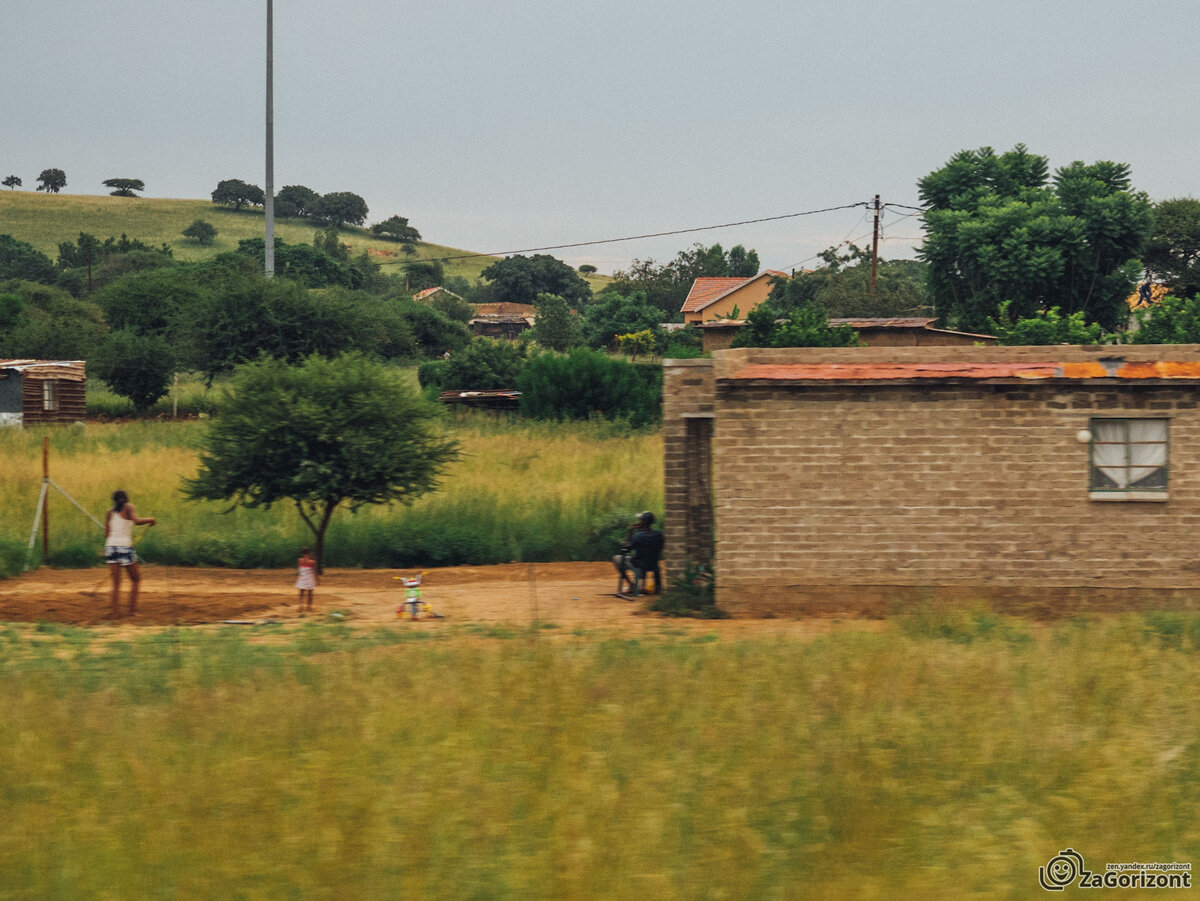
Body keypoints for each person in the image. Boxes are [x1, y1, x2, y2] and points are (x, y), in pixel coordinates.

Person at [104, 489, 155, 618]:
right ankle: (132, 612)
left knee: (116, 583)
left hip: (111, 546)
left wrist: (117, 541)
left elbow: (106, 534)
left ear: (114, 500)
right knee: (136, 579)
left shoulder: (109, 512)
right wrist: (150, 520)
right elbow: (136, 521)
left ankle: (115, 614)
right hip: (125, 546)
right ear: (126, 499)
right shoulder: (128, 507)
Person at [612, 511, 665, 599]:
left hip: (640, 564)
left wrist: (630, 531)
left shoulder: (638, 536)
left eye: (640, 520)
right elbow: (662, 547)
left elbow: (626, 548)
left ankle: (631, 585)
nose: (638, 522)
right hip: (653, 564)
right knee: (644, 559)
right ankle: (658, 587)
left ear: (643, 522)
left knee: (616, 558)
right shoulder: (658, 534)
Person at [296, 547, 317, 614]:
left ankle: (301, 605)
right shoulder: (312, 562)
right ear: (310, 553)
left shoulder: (300, 560)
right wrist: (317, 580)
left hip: (302, 577)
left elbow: (299, 570)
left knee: (301, 592)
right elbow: (314, 572)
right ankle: (309, 606)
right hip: (309, 578)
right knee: (310, 593)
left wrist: (300, 577)